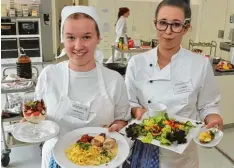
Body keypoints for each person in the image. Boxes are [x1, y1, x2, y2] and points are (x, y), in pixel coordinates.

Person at [123, 0, 223, 167]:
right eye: (163, 23)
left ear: (186, 28)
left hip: (180, 156)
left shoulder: (200, 64)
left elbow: (208, 105)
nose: (168, 32)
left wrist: (214, 119)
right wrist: (137, 110)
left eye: (176, 25)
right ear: (155, 23)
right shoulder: (137, 62)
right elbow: (128, 101)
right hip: (143, 147)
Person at [35, 6, 130, 168]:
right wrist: (32, 123)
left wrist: (118, 126)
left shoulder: (114, 80)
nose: (78, 46)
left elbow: (122, 119)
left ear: (98, 38)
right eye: (70, 37)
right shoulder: (49, 75)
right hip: (56, 158)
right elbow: (39, 116)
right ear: (62, 39)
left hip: (102, 160)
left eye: (86, 37)